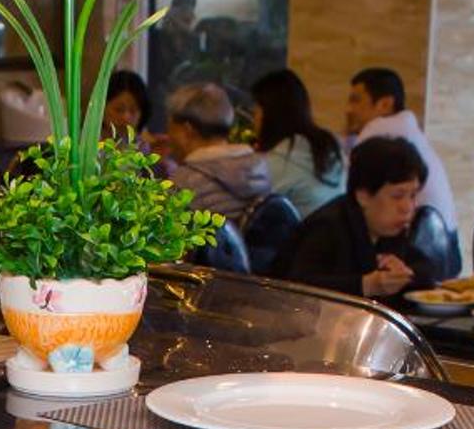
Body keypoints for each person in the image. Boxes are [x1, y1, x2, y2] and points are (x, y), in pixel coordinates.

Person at [275, 136, 436, 299]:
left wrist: (405, 273)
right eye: (397, 196)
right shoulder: (327, 226)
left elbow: (428, 269)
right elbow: (298, 287)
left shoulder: (390, 229)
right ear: (363, 196)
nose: (407, 207)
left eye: (413, 195)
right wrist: (366, 285)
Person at [340, 66, 457, 234]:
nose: (348, 109)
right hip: (440, 238)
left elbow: (350, 192)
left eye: (356, 100)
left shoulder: (379, 131)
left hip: (418, 240)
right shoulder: (405, 127)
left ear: (385, 104)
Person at [161, 83, 271, 222]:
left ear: (187, 130)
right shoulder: (260, 168)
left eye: (170, 128)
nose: (168, 136)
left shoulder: (185, 181)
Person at [249, 69, 344, 213]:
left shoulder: (278, 162)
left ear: (269, 115)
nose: (253, 121)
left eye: (255, 112)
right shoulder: (328, 147)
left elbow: (249, 209)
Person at [103, 69, 155, 146]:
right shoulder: (87, 144)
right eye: (118, 109)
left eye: (133, 111)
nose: (126, 117)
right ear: (102, 109)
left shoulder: (146, 146)